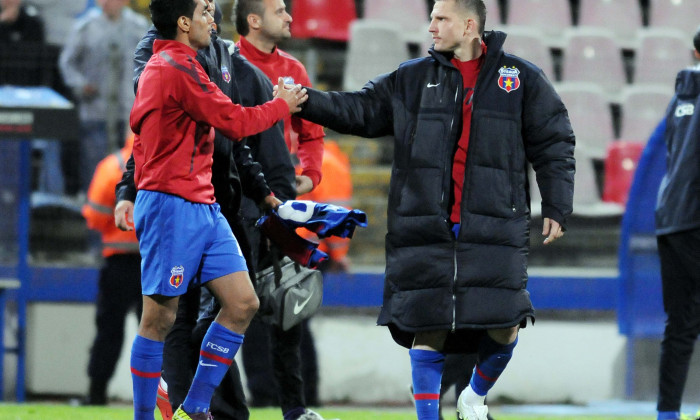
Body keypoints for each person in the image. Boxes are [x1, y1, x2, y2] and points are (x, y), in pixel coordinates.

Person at [293, 1, 575, 419]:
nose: (430, 27)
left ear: (468, 24)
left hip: (494, 226)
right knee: (427, 324)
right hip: (424, 224)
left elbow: (554, 142)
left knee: (507, 321)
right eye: (431, 18)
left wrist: (556, 203)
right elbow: (360, 110)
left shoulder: (522, 79)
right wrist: (305, 100)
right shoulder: (411, 78)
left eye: (440, 18)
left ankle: (473, 396)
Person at [117, 0, 306, 419]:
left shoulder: (194, 62)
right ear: (183, 23)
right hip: (170, 205)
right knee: (159, 318)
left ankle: (196, 408)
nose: (213, 18)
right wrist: (281, 105)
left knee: (242, 303)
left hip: (204, 203)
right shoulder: (170, 68)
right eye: (204, 11)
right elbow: (233, 122)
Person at [232, 2, 328, 420]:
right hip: (236, 200)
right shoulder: (225, 64)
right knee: (229, 305)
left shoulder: (294, 70)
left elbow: (312, 132)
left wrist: (311, 175)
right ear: (254, 20)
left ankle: (294, 408)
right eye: (279, 10)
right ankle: (214, 402)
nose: (290, 17)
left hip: (282, 201)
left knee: (288, 301)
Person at [654, 26, 700, 420]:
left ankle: (666, 414)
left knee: (681, 322)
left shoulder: (681, 97)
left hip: (671, 219)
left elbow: (672, 155)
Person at [59, 0, 149, 195]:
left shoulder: (139, 27)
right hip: (95, 113)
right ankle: (95, 218)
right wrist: (82, 85)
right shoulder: (85, 27)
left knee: (130, 169)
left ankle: (125, 217)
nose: (106, 2)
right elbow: (67, 63)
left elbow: (150, 63)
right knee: (95, 168)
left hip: (129, 114)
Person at [81, 132, 142, 406]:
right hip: (154, 261)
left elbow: (93, 217)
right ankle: (164, 397)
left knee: (108, 329)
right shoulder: (166, 162)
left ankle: (96, 394)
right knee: (158, 331)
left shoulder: (111, 166)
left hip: (118, 261)